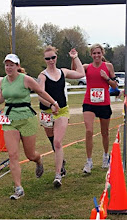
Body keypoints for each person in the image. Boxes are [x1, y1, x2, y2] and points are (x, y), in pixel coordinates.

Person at [0, 54, 59, 199]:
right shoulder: (3, 81)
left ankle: (38, 161)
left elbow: (41, 91)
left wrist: (53, 103)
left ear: (17, 66)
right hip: (9, 120)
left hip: (27, 119)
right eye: (6, 65)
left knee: (30, 154)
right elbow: (3, 96)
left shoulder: (25, 79)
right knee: (13, 155)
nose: (8, 67)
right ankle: (18, 187)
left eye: (12, 65)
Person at [38, 45, 85, 187]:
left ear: (56, 57)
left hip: (62, 111)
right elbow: (40, 95)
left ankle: (58, 175)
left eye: (53, 57)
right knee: (53, 141)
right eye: (48, 58)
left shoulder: (63, 72)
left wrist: (75, 57)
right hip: (47, 112)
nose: (51, 60)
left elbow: (81, 73)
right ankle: (61, 162)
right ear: (45, 60)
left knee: (58, 142)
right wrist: (51, 105)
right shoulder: (42, 76)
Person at [72, 43, 117, 174]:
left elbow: (114, 85)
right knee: (89, 131)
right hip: (89, 103)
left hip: (104, 103)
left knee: (105, 132)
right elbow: (75, 70)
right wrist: (74, 57)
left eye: (99, 53)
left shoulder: (108, 66)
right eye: (94, 53)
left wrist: (106, 78)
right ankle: (89, 161)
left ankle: (105, 156)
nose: (96, 55)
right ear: (91, 54)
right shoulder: (87, 67)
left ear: (102, 54)